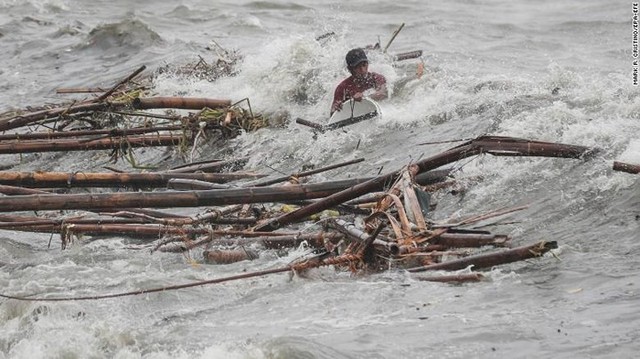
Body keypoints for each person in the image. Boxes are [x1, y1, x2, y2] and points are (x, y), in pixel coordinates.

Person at [330, 48, 388, 115]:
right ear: (350, 69)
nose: (362, 70)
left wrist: (364, 97)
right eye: (357, 67)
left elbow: (383, 93)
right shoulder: (342, 88)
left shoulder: (377, 78)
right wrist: (336, 108)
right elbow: (332, 114)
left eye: (364, 65)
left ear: (368, 63)